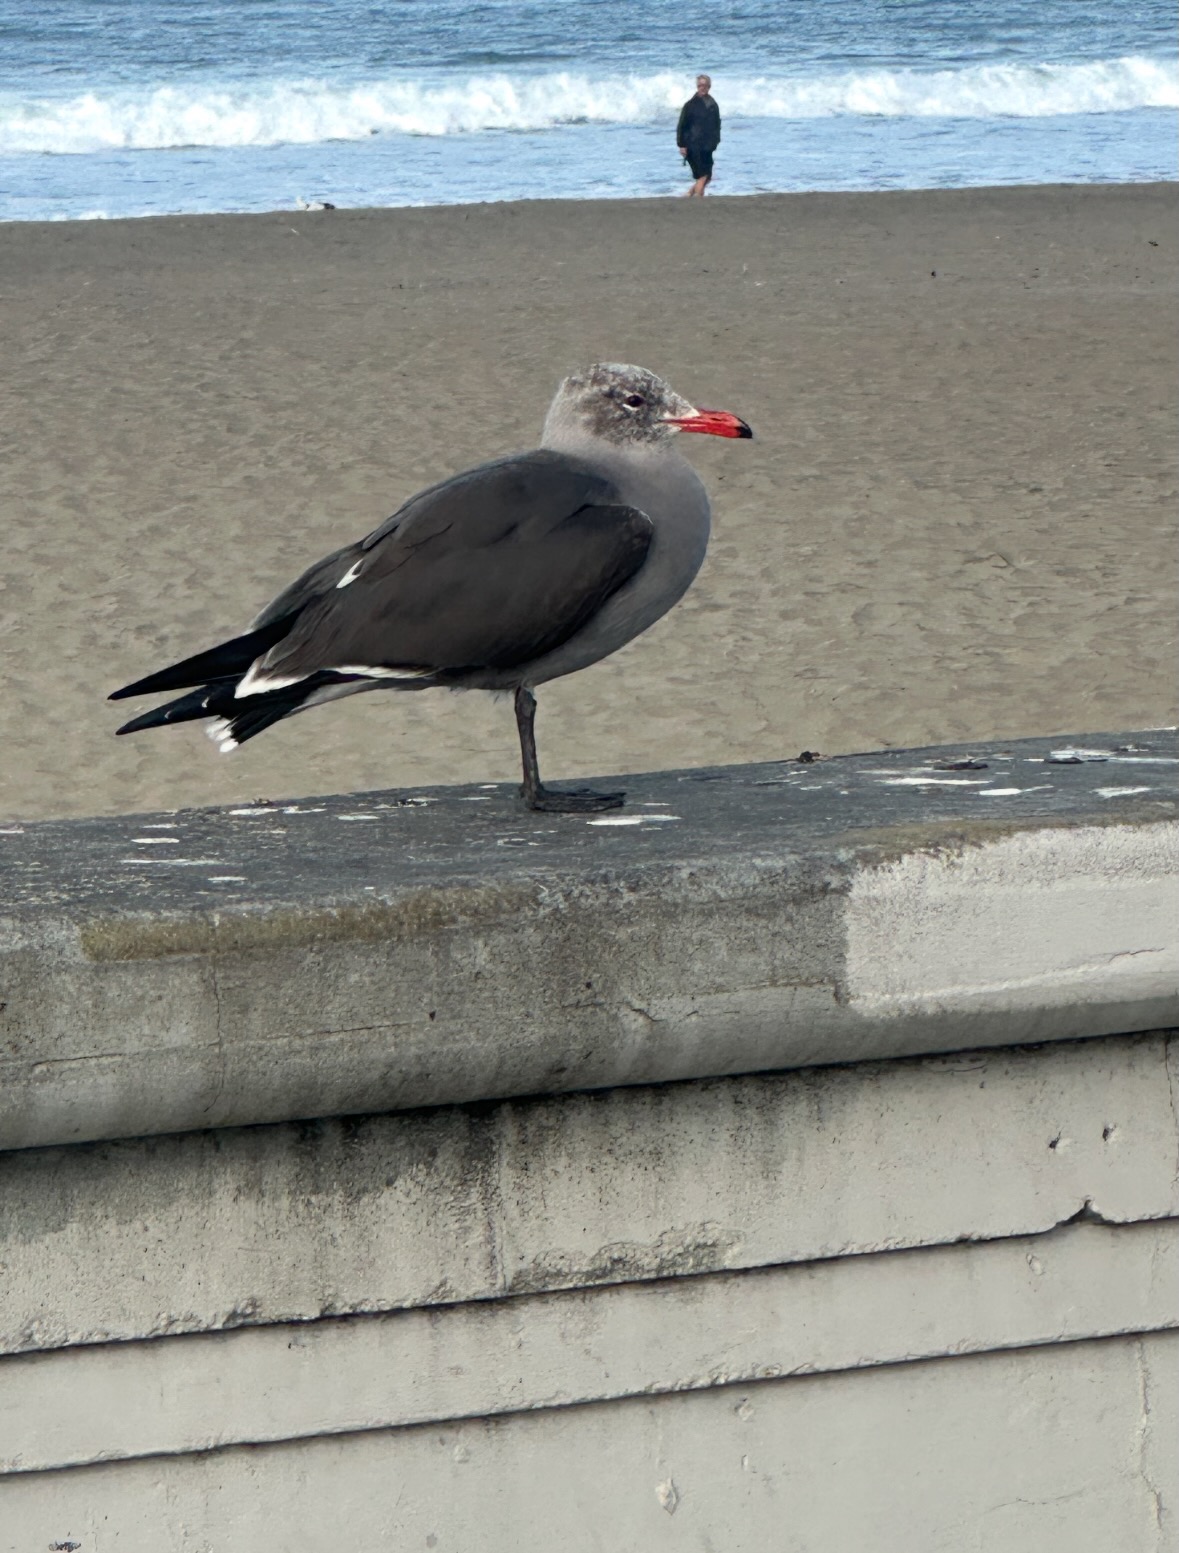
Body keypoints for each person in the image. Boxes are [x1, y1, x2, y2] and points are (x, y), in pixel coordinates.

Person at [676, 74, 721, 197]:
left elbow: (717, 124)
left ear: (709, 87)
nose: (702, 88)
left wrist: (716, 141)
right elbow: (681, 125)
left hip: (707, 146)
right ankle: (699, 201)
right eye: (700, 85)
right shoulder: (690, 105)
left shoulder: (713, 104)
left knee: (708, 176)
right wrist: (681, 145)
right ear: (697, 87)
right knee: (702, 175)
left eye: (705, 85)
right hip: (692, 144)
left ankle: (689, 194)